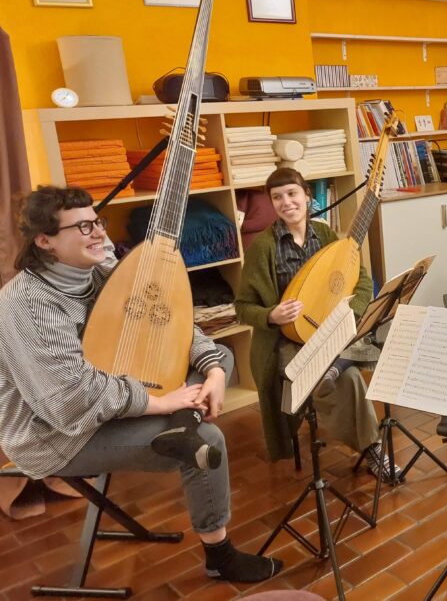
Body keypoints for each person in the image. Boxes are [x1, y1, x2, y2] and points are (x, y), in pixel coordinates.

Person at [0, 186, 281, 583]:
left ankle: (183, 425)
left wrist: (215, 372)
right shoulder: (27, 304)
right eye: (83, 227)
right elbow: (68, 399)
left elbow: (170, 321)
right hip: (56, 433)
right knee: (206, 442)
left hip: (113, 387)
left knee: (219, 354)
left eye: (97, 221)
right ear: (45, 241)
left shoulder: (101, 267)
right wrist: (160, 403)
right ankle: (220, 557)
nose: (100, 233)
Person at [234, 168, 396, 479]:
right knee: (344, 376)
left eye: (292, 194)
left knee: (358, 367)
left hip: (329, 333)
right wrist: (271, 315)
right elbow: (242, 307)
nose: (286, 202)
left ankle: (369, 443)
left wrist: (352, 313)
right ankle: (371, 445)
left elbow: (361, 280)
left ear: (307, 196)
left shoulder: (324, 236)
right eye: (277, 197)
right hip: (287, 342)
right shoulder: (263, 248)